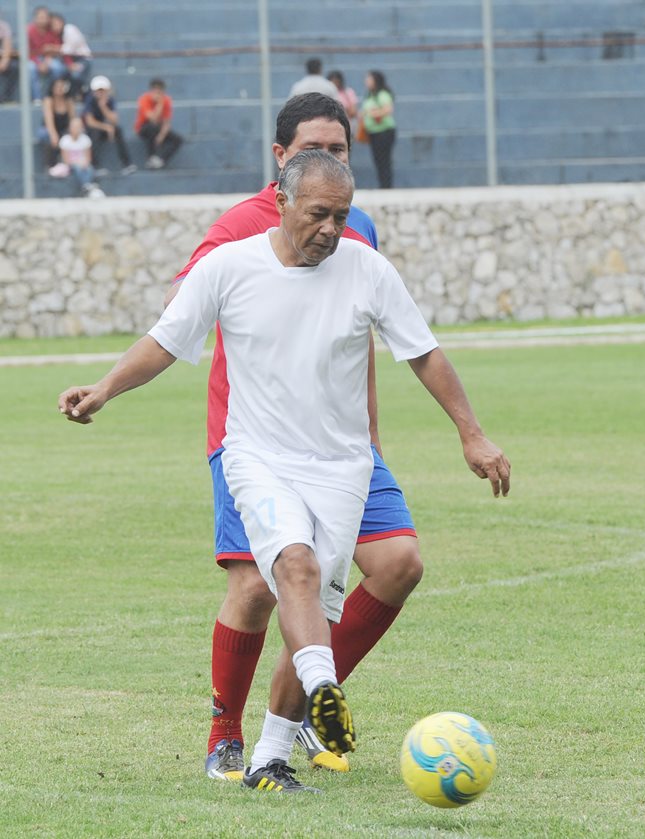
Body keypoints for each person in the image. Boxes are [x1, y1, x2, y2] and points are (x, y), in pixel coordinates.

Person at [60, 149, 504, 794]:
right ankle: (325, 691)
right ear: (283, 202)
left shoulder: (368, 270)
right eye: (319, 214)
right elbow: (164, 342)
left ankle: (270, 756)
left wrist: (472, 433)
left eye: (341, 216)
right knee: (290, 568)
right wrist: (104, 389)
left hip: (343, 468)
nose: (331, 228)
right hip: (257, 458)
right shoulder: (229, 268)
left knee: (313, 607)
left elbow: (424, 353)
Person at [166, 93, 508, 785]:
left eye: (341, 151)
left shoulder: (356, 232)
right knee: (260, 586)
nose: (327, 163)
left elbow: (367, 337)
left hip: (346, 446)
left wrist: (381, 436)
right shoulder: (235, 233)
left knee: (399, 562)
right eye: (311, 150)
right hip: (254, 440)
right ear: (281, 159)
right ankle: (227, 730)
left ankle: (310, 703)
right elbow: (189, 318)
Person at [82, 75, 136, 176]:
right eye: (98, 90)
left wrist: (103, 107)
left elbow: (114, 120)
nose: (101, 93)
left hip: (105, 130)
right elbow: (90, 122)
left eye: (103, 90)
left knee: (118, 130)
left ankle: (127, 164)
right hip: (93, 130)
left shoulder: (110, 100)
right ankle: (95, 166)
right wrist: (106, 127)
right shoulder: (90, 100)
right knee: (95, 132)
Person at [134, 78, 184, 169]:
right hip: (144, 127)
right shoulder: (144, 99)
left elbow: (167, 121)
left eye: (160, 91)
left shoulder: (167, 100)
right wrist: (160, 104)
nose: (157, 94)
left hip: (159, 127)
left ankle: (160, 160)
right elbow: (152, 118)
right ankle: (151, 157)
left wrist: (161, 135)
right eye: (155, 91)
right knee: (151, 127)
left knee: (178, 139)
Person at [361, 70, 395, 188]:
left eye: (369, 79)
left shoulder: (382, 94)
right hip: (373, 132)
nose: (366, 82)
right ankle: (383, 185)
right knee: (378, 160)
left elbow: (388, 110)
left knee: (384, 160)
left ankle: (386, 186)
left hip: (384, 132)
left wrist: (371, 113)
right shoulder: (370, 95)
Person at [57, 114, 103, 197]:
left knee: (89, 169)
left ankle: (87, 186)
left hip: (83, 163)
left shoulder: (85, 139)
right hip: (72, 165)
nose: (76, 129)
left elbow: (88, 158)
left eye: (78, 126)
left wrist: (84, 163)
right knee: (78, 168)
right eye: (74, 126)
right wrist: (77, 163)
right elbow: (66, 160)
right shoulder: (65, 140)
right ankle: (87, 185)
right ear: (70, 128)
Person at [49, 11, 90, 99]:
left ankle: (81, 93)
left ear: (61, 22)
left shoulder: (69, 29)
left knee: (76, 75)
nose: (54, 26)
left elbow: (68, 50)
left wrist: (52, 48)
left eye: (56, 23)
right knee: (58, 71)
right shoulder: (56, 36)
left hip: (82, 59)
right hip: (67, 61)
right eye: (52, 25)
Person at [26, 5, 63, 101]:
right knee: (30, 69)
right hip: (33, 59)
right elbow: (28, 51)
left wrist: (47, 61)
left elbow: (57, 47)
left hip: (49, 58)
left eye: (45, 17)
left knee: (58, 68)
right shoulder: (29, 30)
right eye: (40, 17)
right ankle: (37, 98)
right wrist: (39, 64)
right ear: (35, 18)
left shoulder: (52, 29)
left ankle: (51, 95)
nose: (43, 20)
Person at [37, 76, 74, 170]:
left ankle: (69, 165)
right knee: (47, 136)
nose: (60, 89)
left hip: (63, 129)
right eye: (57, 86)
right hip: (48, 128)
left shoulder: (68, 101)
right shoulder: (49, 100)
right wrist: (53, 134)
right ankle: (50, 166)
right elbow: (48, 119)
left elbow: (72, 119)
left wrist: (72, 132)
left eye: (62, 86)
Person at [0, 13, 17, 103]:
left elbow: (7, 46)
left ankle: (7, 98)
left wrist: (4, 61)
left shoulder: (4, 26)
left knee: (14, 67)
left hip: (2, 58)